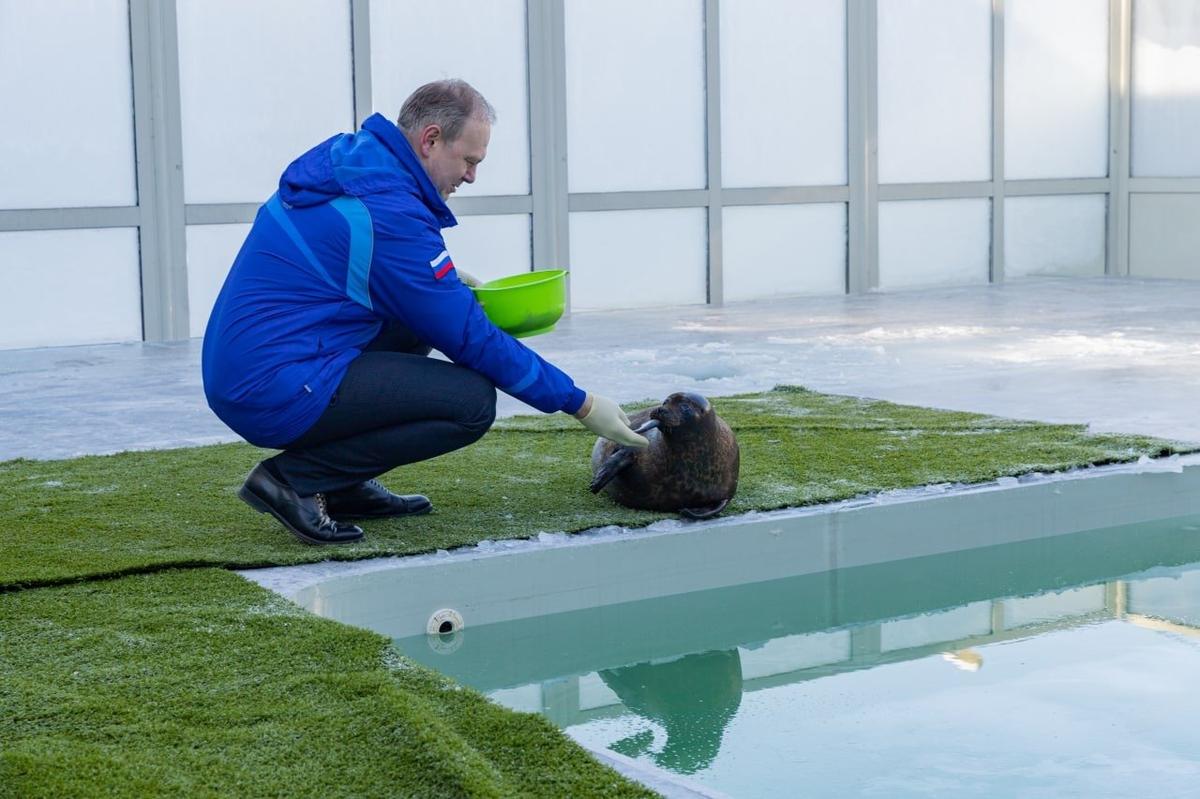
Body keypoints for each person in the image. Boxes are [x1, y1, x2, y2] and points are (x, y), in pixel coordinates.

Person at [202, 78, 647, 546]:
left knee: (417, 320)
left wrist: (445, 286)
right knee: (470, 403)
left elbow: (407, 289)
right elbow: (470, 337)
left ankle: (342, 484)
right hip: (270, 386)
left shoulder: (360, 165)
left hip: (258, 365)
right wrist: (579, 403)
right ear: (431, 139)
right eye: (469, 160)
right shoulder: (388, 210)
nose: (472, 176)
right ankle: (292, 480)